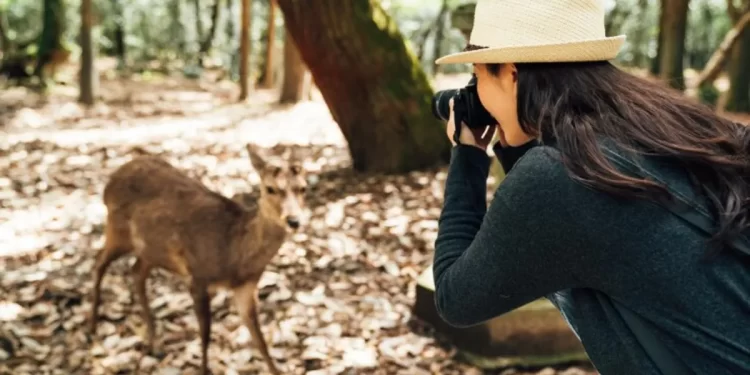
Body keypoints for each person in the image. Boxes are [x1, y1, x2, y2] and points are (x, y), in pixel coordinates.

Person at [431, 1, 750, 374]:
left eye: (478, 74)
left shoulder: (557, 177)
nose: (476, 91)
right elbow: (562, 232)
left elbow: (456, 299)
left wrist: (468, 156)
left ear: (512, 73)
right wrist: (518, 145)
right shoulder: (676, 129)